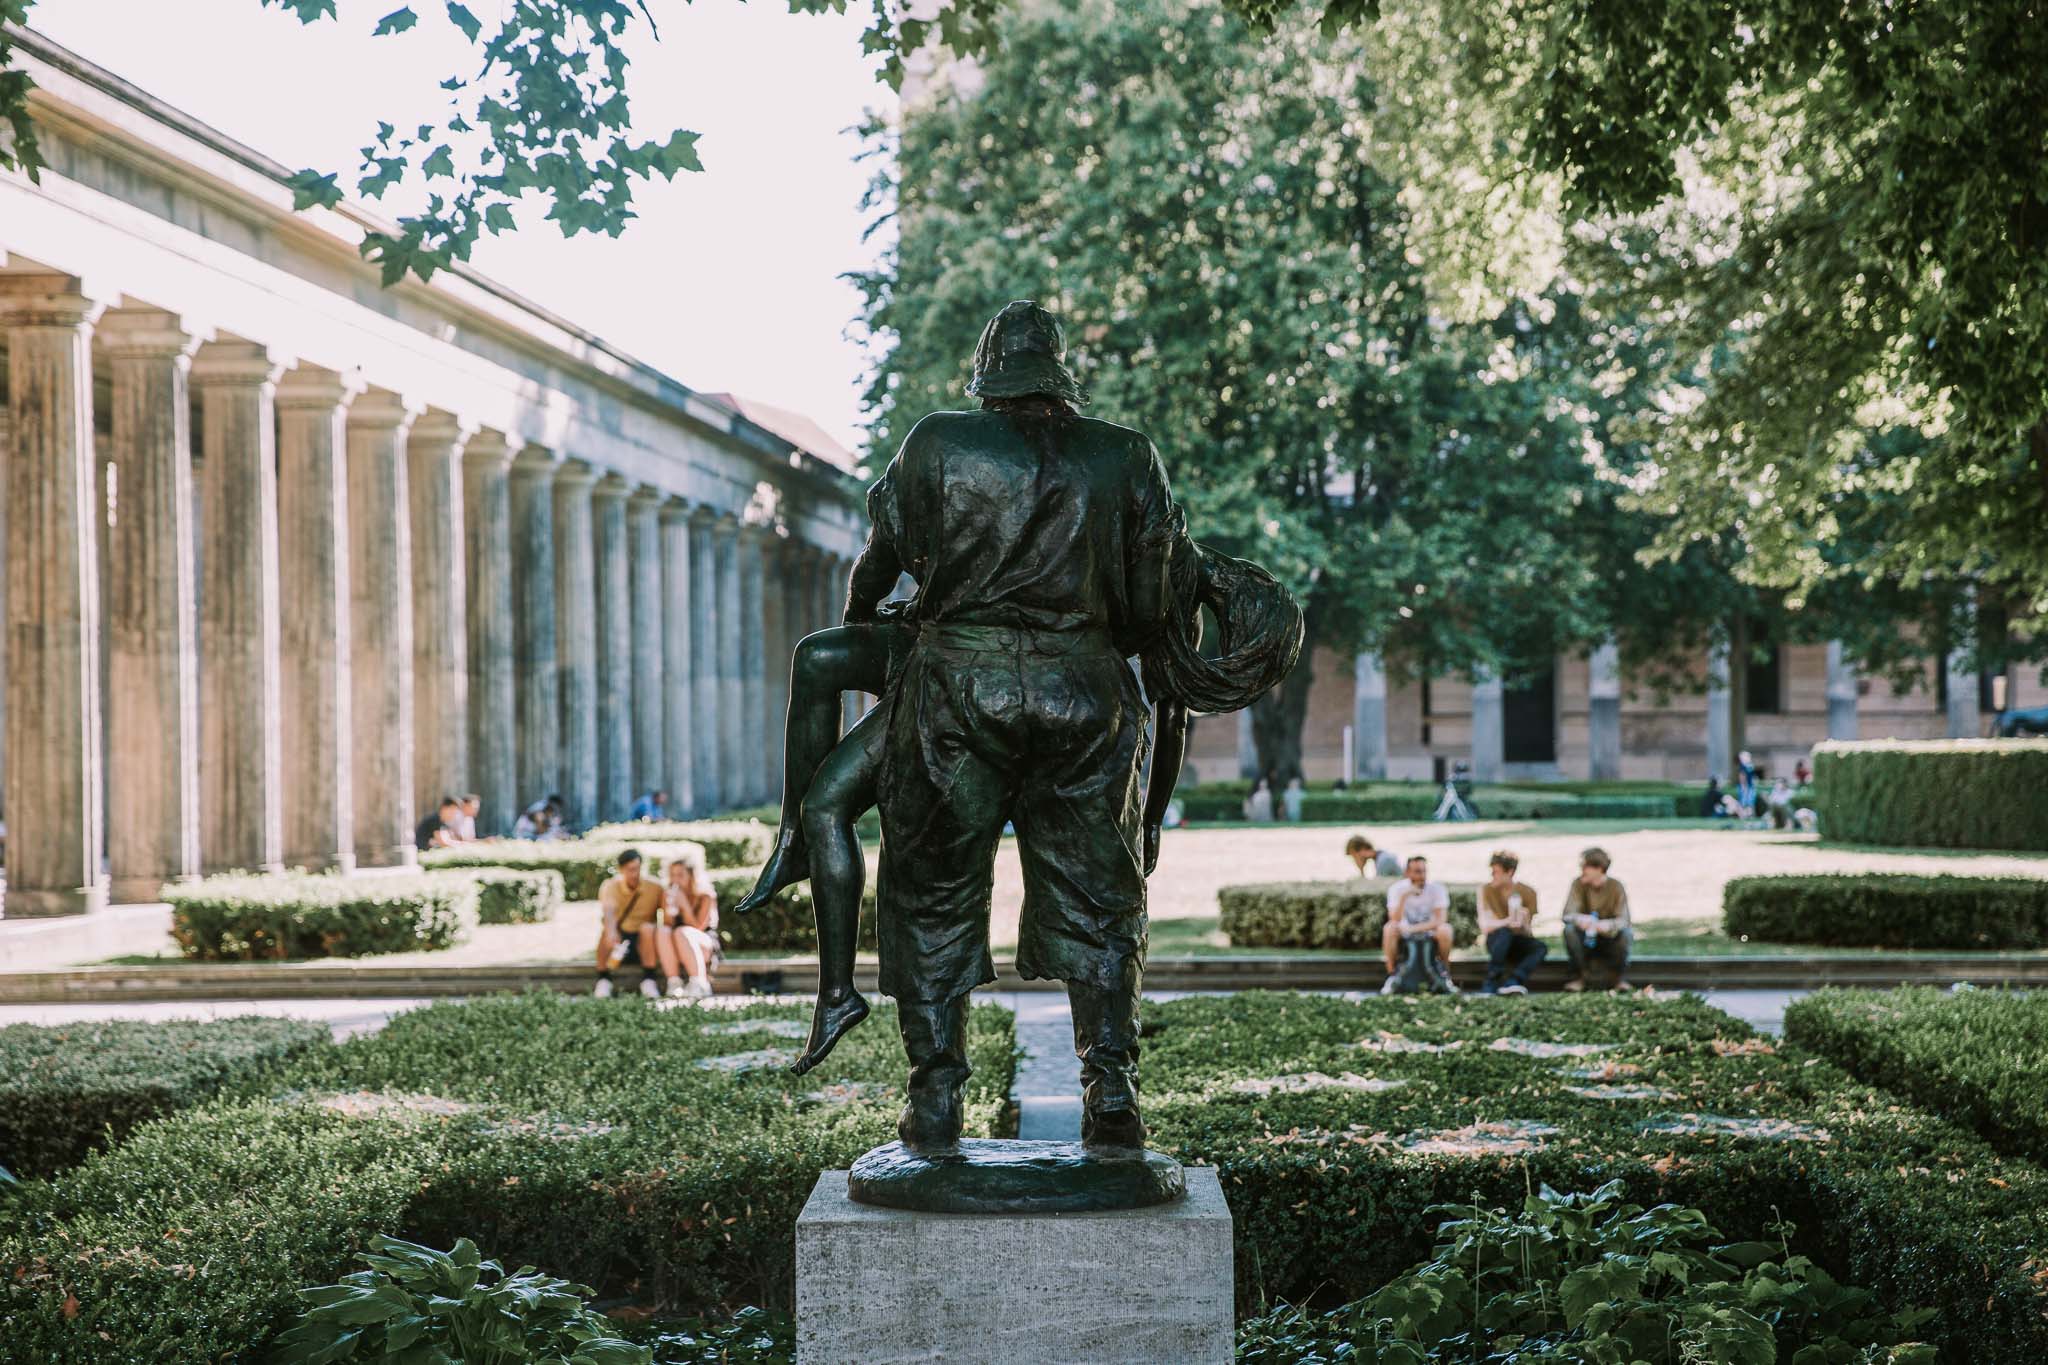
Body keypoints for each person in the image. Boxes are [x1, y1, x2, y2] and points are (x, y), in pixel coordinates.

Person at [594, 847, 682, 999]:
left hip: (644, 939)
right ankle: (604, 979)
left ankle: (649, 979)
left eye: (638, 868)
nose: (635, 874)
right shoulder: (611, 886)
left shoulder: (654, 887)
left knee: (647, 928)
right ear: (621, 870)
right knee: (605, 932)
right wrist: (611, 931)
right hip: (620, 937)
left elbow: (668, 918)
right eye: (630, 870)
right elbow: (609, 912)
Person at [1561, 846, 1633, 992]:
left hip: (1608, 936)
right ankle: (1580, 978)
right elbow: (1567, 914)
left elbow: (1624, 919)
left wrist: (1607, 925)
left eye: (1585, 866)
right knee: (1569, 931)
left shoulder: (1615, 886)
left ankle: (1617, 979)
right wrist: (1580, 919)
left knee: (1626, 934)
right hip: (1585, 935)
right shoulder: (1578, 884)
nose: (1582, 869)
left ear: (1599, 869)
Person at [1382, 855, 1455, 995]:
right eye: (1417, 871)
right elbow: (1394, 919)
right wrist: (1404, 897)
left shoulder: (1437, 888)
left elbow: (1441, 919)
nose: (1422, 876)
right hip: (1403, 931)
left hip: (1430, 931)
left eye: (1424, 871)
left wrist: (1413, 928)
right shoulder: (1396, 889)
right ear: (1407, 873)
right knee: (1389, 929)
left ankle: (1445, 974)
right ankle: (1391, 975)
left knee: (1446, 930)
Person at [1478, 849, 1546, 995]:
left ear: (1509, 872)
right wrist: (1507, 922)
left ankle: (1514, 982)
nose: (1492, 876)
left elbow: (1528, 934)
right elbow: (1485, 926)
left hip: (1517, 940)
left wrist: (1524, 921)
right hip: (1496, 941)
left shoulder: (1528, 892)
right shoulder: (1486, 890)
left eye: (1495, 872)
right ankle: (1491, 981)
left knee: (1540, 947)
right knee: (1505, 932)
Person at [661, 851, 719, 999]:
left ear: (692, 875)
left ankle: (700, 983)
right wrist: (669, 909)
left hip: (703, 944)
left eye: (680, 875)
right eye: (672, 875)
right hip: (678, 947)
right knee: (662, 931)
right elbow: (667, 925)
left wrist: (684, 906)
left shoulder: (706, 895)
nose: (675, 879)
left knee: (682, 932)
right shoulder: (669, 893)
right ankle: (674, 982)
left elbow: (699, 927)